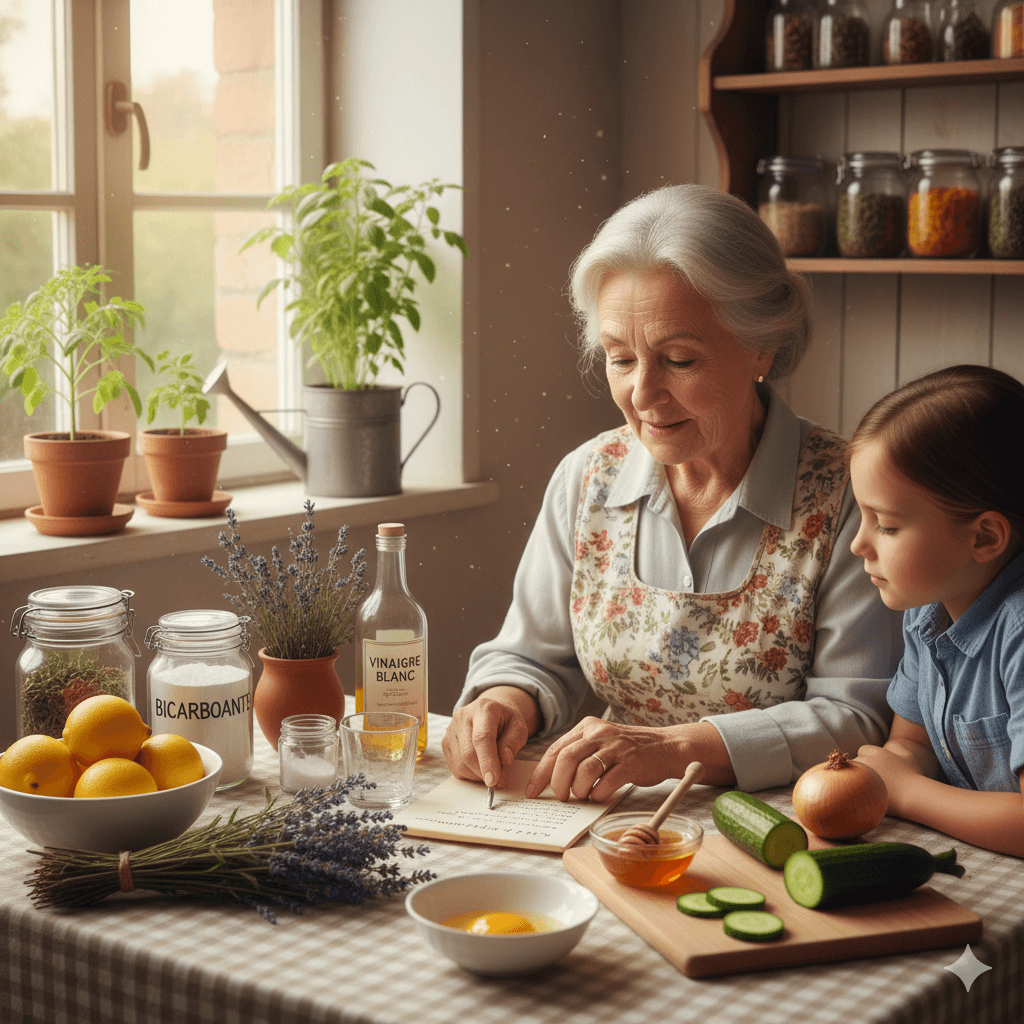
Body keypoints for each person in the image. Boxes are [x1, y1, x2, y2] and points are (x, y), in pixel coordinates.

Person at [442, 183, 902, 801]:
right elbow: (530, 655)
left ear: (761, 345)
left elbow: (855, 716)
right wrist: (503, 701)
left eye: (679, 360)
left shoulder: (846, 495)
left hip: (785, 825)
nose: (642, 394)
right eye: (620, 358)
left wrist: (674, 749)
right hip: (617, 823)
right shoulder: (587, 478)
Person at [850, 365, 1024, 858]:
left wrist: (905, 792)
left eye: (885, 525)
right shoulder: (928, 614)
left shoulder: (1019, 629)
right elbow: (915, 746)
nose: (858, 544)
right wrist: (882, 774)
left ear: (984, 538)